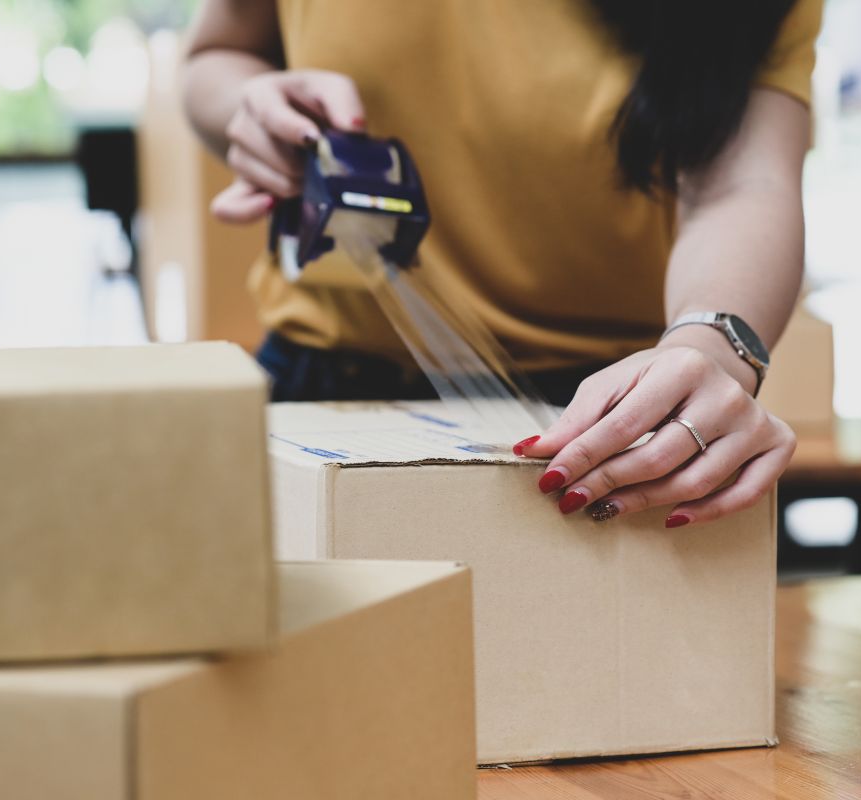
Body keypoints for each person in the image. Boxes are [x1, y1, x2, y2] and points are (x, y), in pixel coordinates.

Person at [182, 0, 822, 529]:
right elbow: (216, 53)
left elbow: (745, 183)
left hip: (608, 420)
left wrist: (711, 347)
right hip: (322, 386)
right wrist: (251, 106)